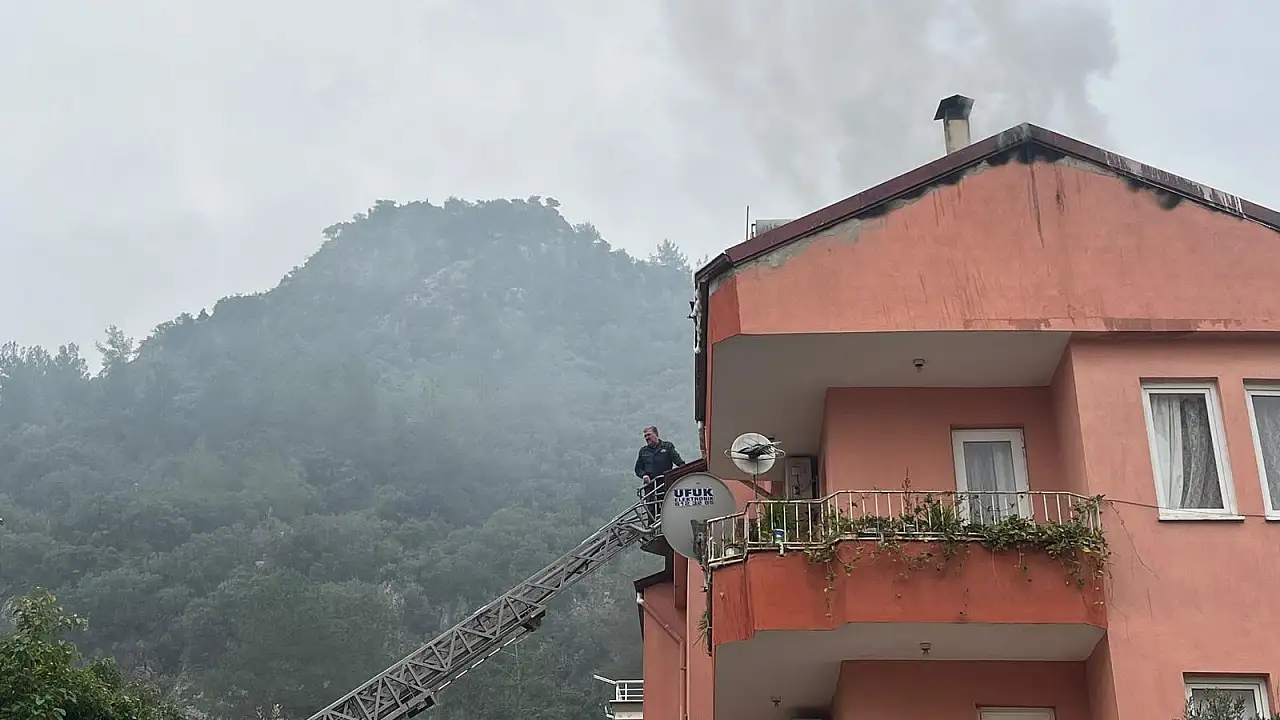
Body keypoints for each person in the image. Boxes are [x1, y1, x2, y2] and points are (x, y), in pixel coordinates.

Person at [635, 426, 684, 522]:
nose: (647, 438)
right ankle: (651, 533)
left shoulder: (667, 447)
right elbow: (638, 469)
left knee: (666, 510)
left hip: (665, 485)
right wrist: (644, 475)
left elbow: (680, 463)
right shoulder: (643, 451)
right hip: (650, 488)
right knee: (651, 512)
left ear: (656, 434)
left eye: (649, 435)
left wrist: (682, 476)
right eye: (645, 436)